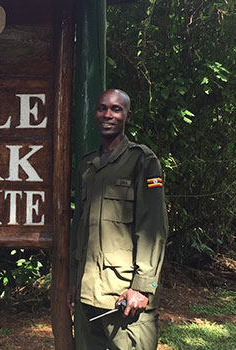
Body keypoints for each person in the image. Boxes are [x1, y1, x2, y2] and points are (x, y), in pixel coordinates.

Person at [68, 89, 168, 349]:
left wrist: (143, 287)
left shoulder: (142, 161)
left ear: (127, 116)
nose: (108, 115)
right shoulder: (87, 165)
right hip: (88, 294)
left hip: (124, 296)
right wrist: (72, 284)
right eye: (102, 108)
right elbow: (78, 227)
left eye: (116, 109)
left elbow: (153, 228)